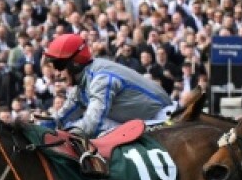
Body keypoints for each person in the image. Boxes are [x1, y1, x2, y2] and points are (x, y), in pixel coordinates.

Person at [43, 33, 174, 139]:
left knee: (100, 129)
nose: (56, 73)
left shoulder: (101, 79)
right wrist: (38, 128)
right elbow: (60, 118)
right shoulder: (81, 84)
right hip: (141, 122)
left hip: (162, 120)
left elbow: (92, 124)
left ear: (75, 63)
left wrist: (62, 135)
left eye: (59, 66)